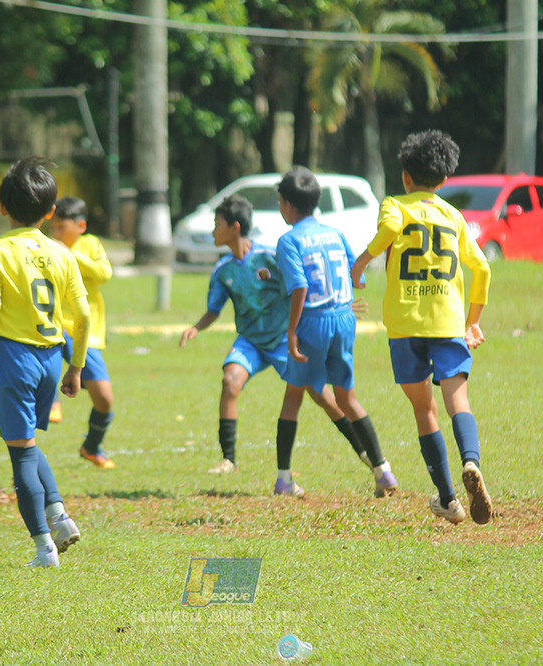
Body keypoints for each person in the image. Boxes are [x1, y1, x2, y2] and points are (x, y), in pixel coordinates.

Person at [350, 130, 493, 526]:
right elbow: (481, 266)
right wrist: (474, 321)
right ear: (444, 179)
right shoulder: (453, 215)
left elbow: (392, 230)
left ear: (406, 177)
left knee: (422, 409)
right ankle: (471, 461)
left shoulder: (394, 204)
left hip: (405, 323)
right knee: (456, 403)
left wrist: (363, 261)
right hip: (447, 322)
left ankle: (449, 499)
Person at [180, 194, 375, 476]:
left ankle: (366, 454)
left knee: (323, 397)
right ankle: (228, 460)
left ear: (234, 227)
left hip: (286, 340)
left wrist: (337, 306)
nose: (213, 230)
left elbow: (304, 285)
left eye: (216, 223)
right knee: (230, 381)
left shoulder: (270, 256)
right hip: (250, 342)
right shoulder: (222, 271)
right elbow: (214, 310)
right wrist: (196, 327)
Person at [0, 156, 89, 568]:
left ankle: (43, 548)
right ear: (51, 211)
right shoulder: (62, 252)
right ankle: (60, 516)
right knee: (28, 444)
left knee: (20, 454)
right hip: (53, 358)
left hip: (13, 357)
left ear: (3, 207)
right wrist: (77, 366)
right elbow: (83, 316)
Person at [273, 166, 398, 498]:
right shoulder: (335, 233)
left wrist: (291, 331)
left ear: (286, 204)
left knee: (293, 396)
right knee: (347, 397)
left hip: (312, 322)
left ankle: (284, 479)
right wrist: (342, 303)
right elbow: (356, 276)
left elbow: (299, 286)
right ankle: (383, 471)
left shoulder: (288, 241)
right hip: (343, 318)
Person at [45, 197, 116, 469]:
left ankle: (92, 447)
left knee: (104, 399)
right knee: (48, 358)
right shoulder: (48, 248)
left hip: (87, 331)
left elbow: (104, 274)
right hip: (57, 325)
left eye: (62, 227)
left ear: (81, 226)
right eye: (54, 228)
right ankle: (51, 401)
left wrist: (70, 253)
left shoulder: (90, 245)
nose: (56, 234)